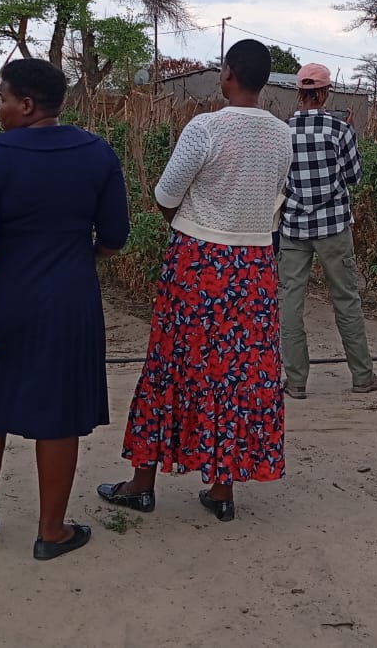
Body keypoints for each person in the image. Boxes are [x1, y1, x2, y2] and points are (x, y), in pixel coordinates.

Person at [97, 39, 292, 523]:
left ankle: (143, 482)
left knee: (173, 361)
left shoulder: (204, 127)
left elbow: (166, 194)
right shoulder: (283, 136)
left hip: (199, 262)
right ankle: (222, 490)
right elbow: (274, 198)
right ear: (265, 80)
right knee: (239, 372)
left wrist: (195, 221)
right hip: (254, 267)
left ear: (228, 74)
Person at [0, 58, 130, 561]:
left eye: (3, 99)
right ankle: (51, 532)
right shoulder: (97, 153)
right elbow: (115, 237)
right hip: (68, 304)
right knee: (58, 416)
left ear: (27, 104)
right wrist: (75, 257)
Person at [278, 62, 377, 399]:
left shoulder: (283, 131)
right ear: (325, 93)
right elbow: (353, 176)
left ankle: (295, 382)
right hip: (334, 227)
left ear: (300, 92)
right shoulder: (339, 130)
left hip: (294, 227)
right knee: (346, 299)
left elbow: (278, 178)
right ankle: (362, 375)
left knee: (290, 303)